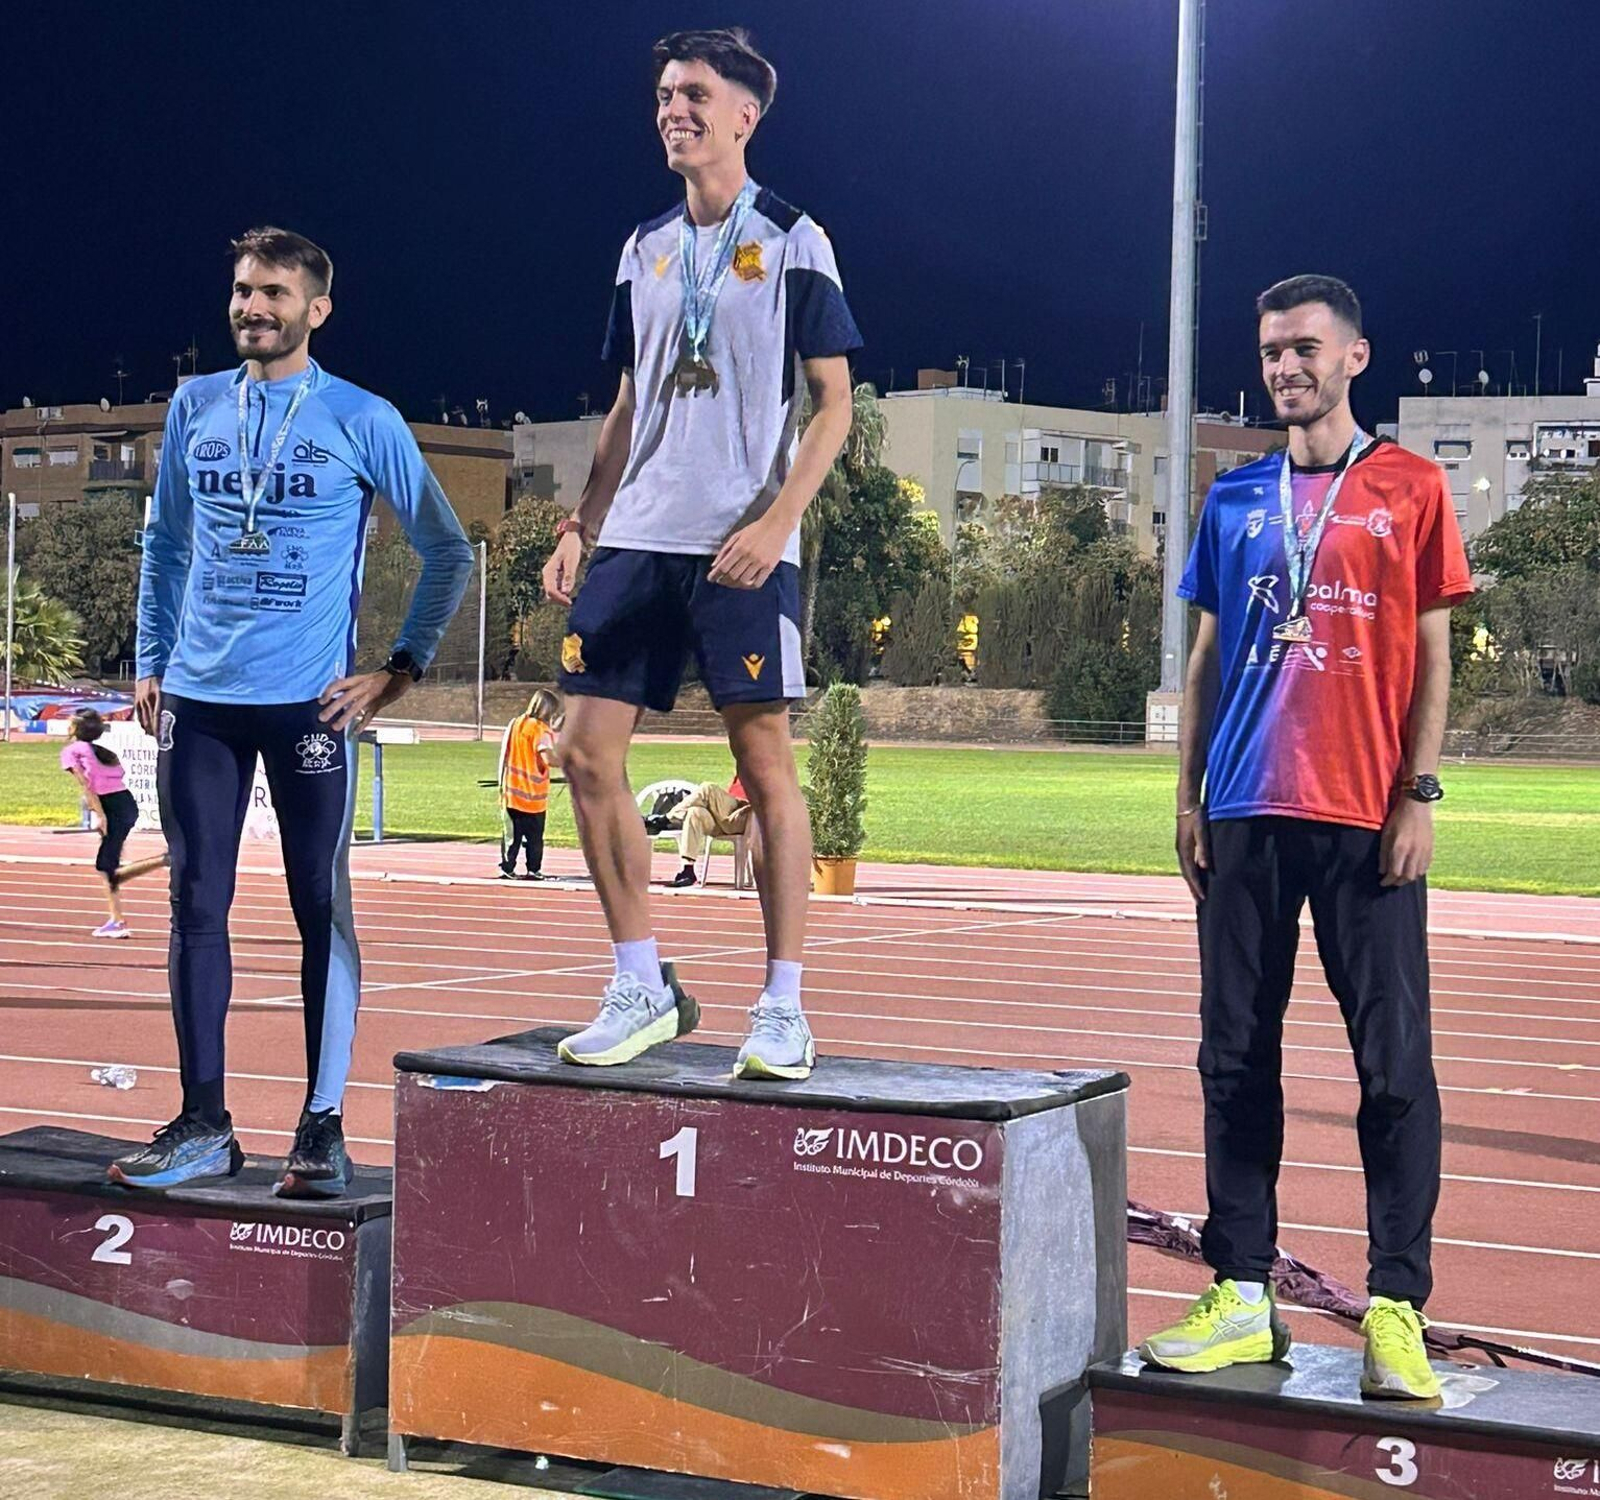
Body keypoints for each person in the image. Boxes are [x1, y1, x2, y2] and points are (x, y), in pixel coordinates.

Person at [1139, 276, 1473, 1399]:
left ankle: (1394, 1309)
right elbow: (1199, 661)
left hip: (1363, 815)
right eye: (1272, 350)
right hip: (1241, 811)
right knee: (1232, 1060)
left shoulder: (1413, 487)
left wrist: (1418, 794)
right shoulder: (1232, 498)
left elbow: (1431, 655)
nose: (1284, 367)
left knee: (1391, 1069)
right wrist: (1186, 798)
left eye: (1304, 350)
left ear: (1354, 357)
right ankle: (1243, 1292)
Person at [118, 225, 474, 1195]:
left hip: (309, 707)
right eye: (241, 291)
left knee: (320, 911)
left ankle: (320, 1129)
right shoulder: (193, 408)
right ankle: (203, 1123)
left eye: (274, 293)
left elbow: (449, 549)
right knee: (196, 910)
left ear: (317, 308)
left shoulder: (362, 417)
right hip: (199, 700)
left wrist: (397, 671)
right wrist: (151, 660)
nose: (252, 309)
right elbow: (166, 550)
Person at [541, 28, 860, 1081]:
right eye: (664, 95)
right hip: (636, 535)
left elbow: (833, 407)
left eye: (693, 95)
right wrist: (580, 523)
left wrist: (776, 523)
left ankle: (783, 1006)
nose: (672, 109)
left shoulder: (795, 238)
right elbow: (626, 403)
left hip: (741, 543)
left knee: (763, 768)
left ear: (743, 116)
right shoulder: (641, 248)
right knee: (583, 755)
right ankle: (641, 982)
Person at [59, 709, 166, 938]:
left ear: (76, 729)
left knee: (106, 867)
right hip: (126, 803)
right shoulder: (105, 752)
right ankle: (116, 918)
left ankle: (118, 920)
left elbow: (87, 785)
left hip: (112, 808)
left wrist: (100, 815)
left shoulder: (72, 752)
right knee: (109, 866)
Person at [498, 688, 562, 879]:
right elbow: (547, 758)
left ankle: (507, 867)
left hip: (512, 790)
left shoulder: (515, 724)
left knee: (512, 836)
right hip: (533, 795)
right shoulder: (541, 730)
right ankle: (533, 869)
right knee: (534, 837)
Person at [661, 775, 750, 887]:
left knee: (708, 788)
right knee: (695, 812)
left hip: (745, 815)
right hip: (726, 818)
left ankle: (665, 820)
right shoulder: (744, 765)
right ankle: (688, 871)